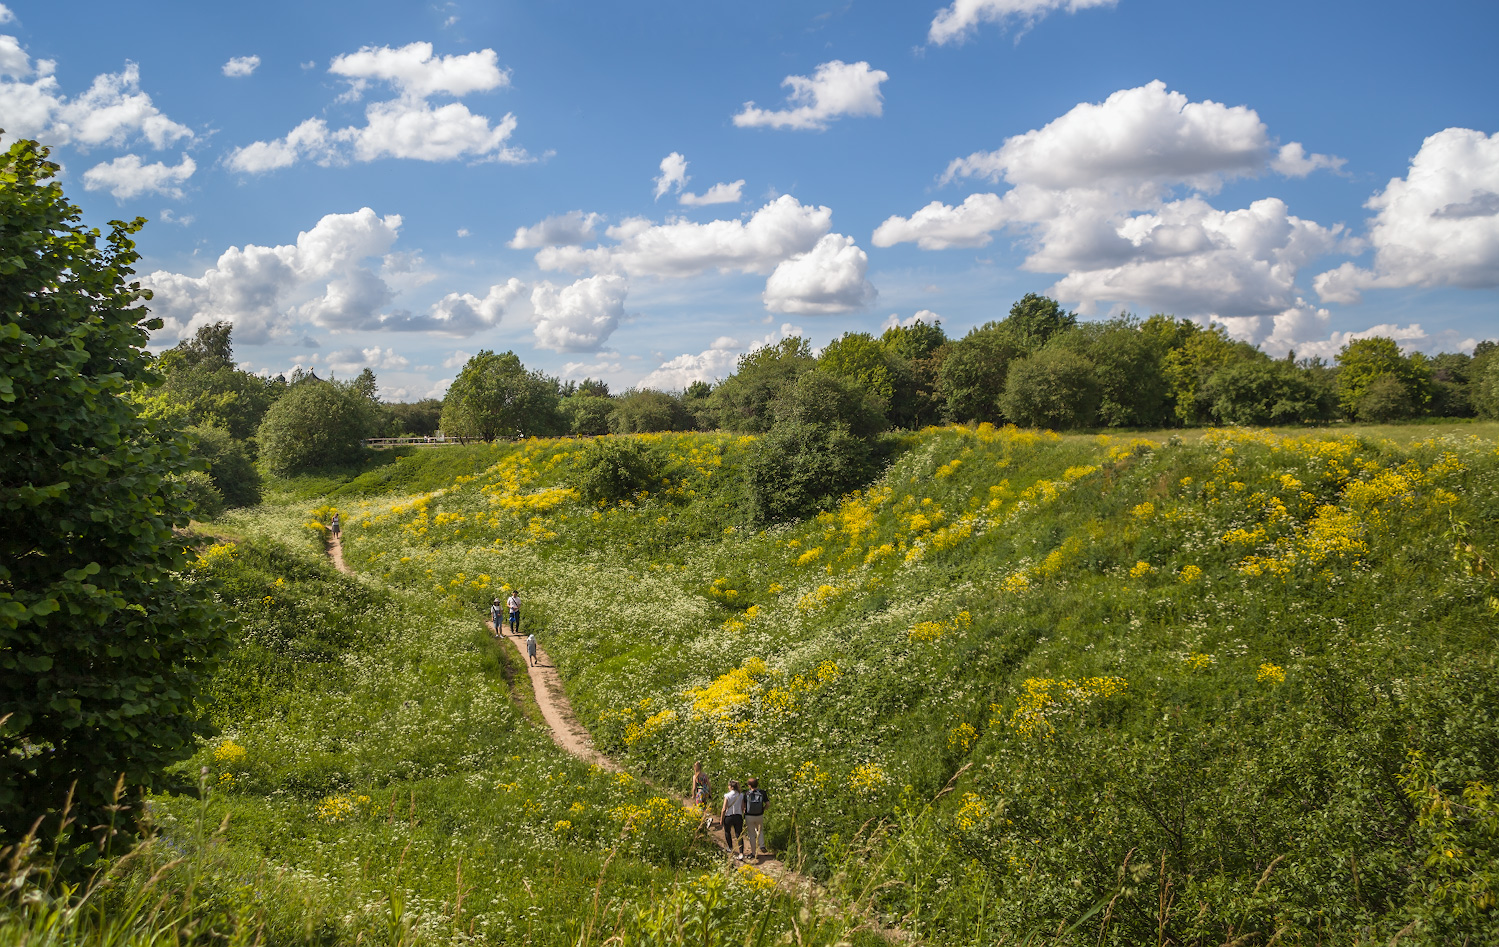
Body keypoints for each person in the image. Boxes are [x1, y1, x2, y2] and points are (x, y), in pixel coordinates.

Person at [742, 777, 769, 860]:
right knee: (760, 830)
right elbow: (768, 804)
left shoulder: (746, 793)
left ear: (749, 785)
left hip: (749, 816)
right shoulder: (762, 792)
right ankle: (762, 845)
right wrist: (763, 809)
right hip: (759, 815)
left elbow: (743, 805)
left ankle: (753, 853)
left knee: (751, 834)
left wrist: (744, 812)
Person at [720, 780, 745, 859]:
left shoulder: (727, 795)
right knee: (739, 834)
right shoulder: (741, 795)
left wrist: (721, 819)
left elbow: (724, 808)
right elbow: (742, 807)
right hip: (738, 816)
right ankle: (741, 852)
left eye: (729, 786)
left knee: (727, 832)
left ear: (731, 787)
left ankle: (730, 847)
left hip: (729, 816)